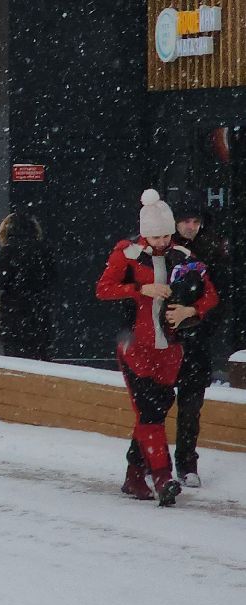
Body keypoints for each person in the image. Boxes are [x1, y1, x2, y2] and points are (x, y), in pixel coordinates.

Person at [95, 189, 218, 506]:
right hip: (135, 345)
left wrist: (190, 311)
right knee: (149, 411)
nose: (163, 241)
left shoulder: (184, 257)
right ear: (145, 233)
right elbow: (104, 289)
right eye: (156, 236)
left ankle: (135, 475)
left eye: (166, 235)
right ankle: (163, 478)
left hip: (170, 349)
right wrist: (141, 288)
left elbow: (210, 296)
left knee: (156, 409)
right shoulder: (127, 254)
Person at [169, 203, 227, 486]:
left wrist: (195, 318)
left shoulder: (213, 251)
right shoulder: (163, 248)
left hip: (196, 341)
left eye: (195, 221)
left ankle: (186, 464)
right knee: (154, 404)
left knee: (191, 407)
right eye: (185, 221)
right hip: (166, 339)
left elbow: (219, 298)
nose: (190, 226)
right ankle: (144, 460)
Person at [0, 212, 55, 360]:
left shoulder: (10, 249)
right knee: (40, 358)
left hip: (16, 315)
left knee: (17, 360)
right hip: (40, 312)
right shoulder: (43, 249)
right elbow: (52, 278)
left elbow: (2, 280)